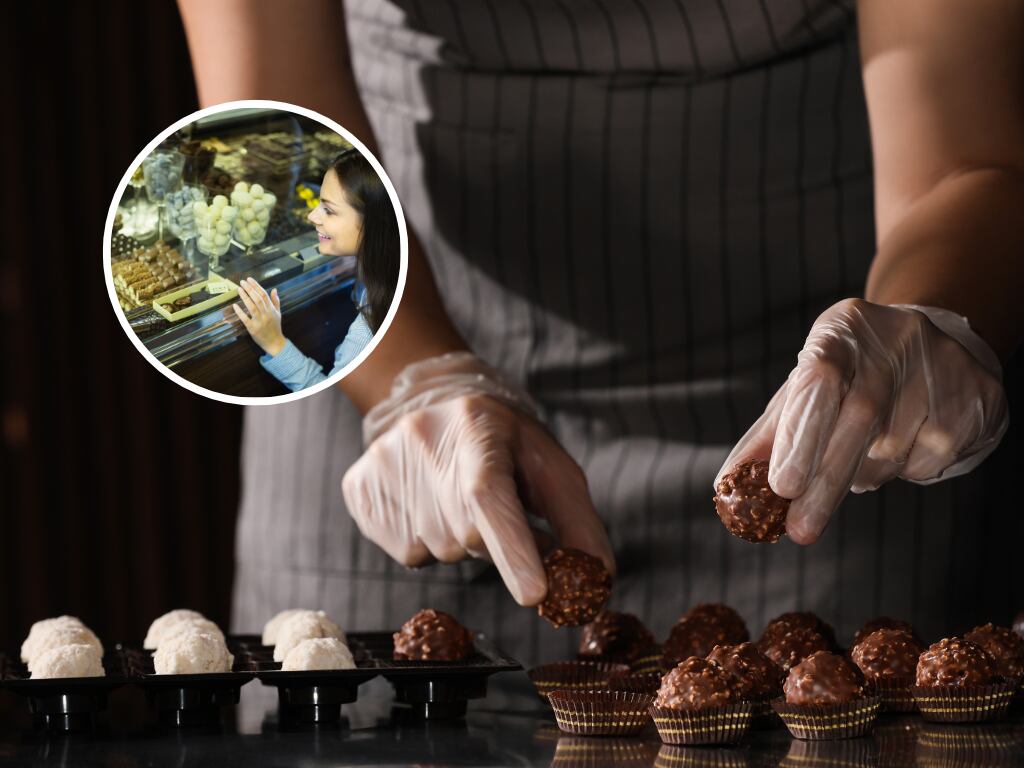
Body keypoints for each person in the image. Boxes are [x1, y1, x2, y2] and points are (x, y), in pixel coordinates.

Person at [178, 0, 1023, 664]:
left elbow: (960, 150)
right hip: (375, 356)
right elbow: (264, 127)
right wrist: (408, 378)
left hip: (818, 435)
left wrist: (923, 325)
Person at [233, 150, 399, 391]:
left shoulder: (369, 327)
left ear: (375, 222)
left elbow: (332, 395)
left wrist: (274, 342)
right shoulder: (378, 271)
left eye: (329, 210)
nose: (312, 216)